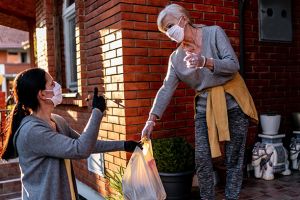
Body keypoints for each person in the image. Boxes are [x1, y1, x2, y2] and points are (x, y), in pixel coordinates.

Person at [141, 4, 258, 200]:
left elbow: (233, 64)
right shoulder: (176, 59)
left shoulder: (214, 33)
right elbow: (166, 89)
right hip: (205, 107)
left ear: (183, 20)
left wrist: (205, 61)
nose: (169, 33)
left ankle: (232, 197)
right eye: (165, 31)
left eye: (170, 26)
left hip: (234, 101)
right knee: (202, 159)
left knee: (234, 157)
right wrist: (151, 120)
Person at [0, 68, 141, 200]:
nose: (57, 86)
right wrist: (97, 112)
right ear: (42, 94)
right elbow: (81, 149)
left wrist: (123, 145)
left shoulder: (57, 120)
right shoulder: (32, 131)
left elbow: (86, 143)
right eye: (52, 83)